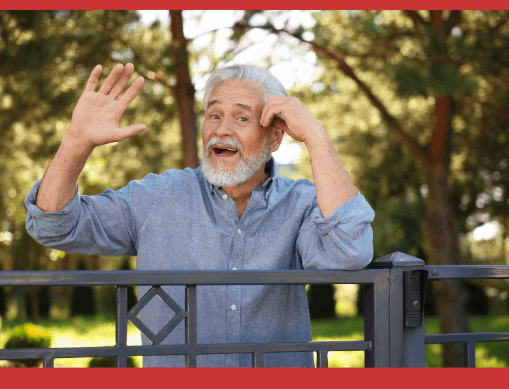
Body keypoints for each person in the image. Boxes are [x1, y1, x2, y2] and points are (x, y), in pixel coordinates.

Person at [24, 63, 374, 367]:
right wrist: (76, 141)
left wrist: (315, 136)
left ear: (275, 137)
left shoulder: (302, 203)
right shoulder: (157, 196)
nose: (222, 130)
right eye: (214, 114)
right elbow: (54, 226)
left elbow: (350, 252)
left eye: (241, 117)